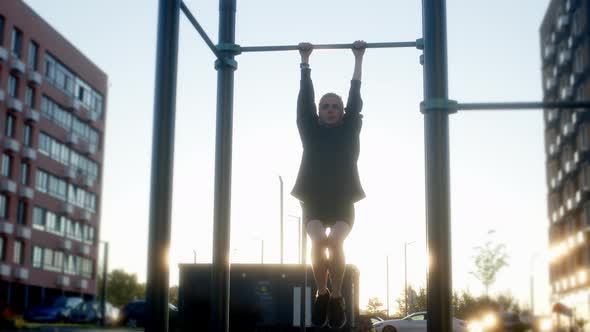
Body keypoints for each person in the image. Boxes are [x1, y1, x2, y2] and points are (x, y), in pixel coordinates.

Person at [291, 40, 366, 329]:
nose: (331, 109)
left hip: (343, 198)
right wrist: (305, 62)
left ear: (342, 111)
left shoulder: (350, 129)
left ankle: (336, 297)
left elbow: (356, 95)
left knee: (334, 240)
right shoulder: (309, 129)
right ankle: (321, 293)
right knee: (316, 239)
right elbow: (304, 101)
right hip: (312, 196)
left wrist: (358, 59)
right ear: (319, 111)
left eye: (335, 106)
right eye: (326, 106)